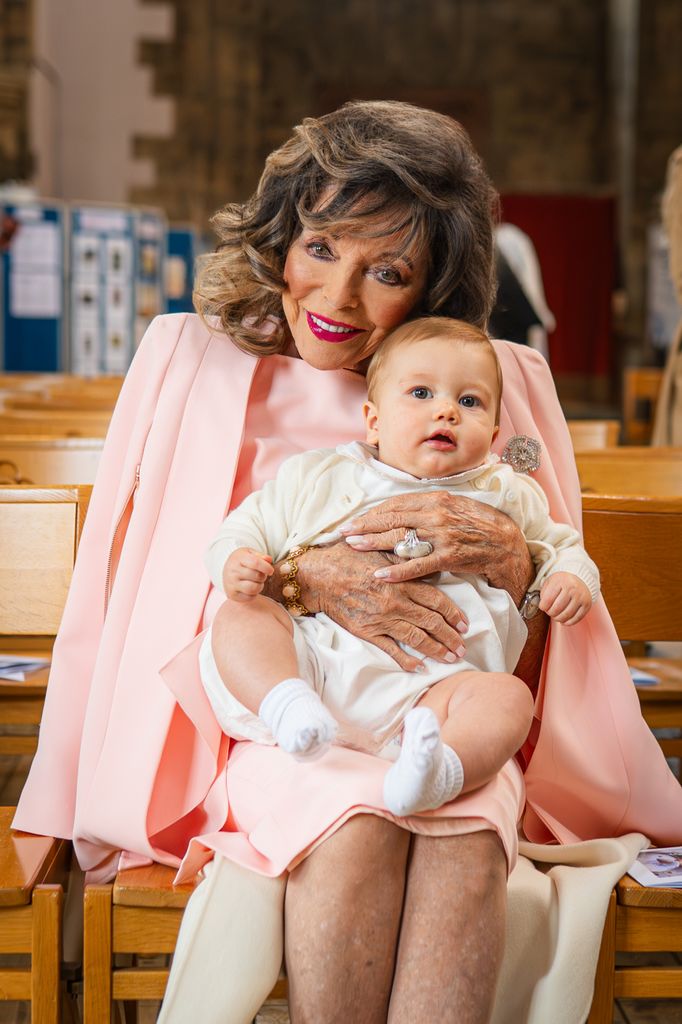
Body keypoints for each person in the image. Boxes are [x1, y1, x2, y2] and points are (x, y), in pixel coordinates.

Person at [12, 101, 682, 1024]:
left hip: (451, 724)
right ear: (281, 234)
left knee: (463, 835)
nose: (337, 297)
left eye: (389, 271)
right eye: (320, 247)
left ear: (436, 285)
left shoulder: (497, 381)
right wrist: (300, 579)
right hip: (261, 727)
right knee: (352, 825)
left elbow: (544, 641)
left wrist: (521, 567)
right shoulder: (186, 359)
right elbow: (126, 592)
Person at [203, 318, 599, 820]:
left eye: (470, 402)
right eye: (420, 392)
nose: (446, 411)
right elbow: (242, 528)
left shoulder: (507, 493)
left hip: (435, 694)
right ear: (373, 420)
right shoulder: (320, 474)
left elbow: (562, 547)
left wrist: (570, 578)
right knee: (241, 617)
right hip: (319, 668)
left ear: (496, 433)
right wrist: (236, 561)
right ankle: (286, 705)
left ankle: (439, 771)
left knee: (507, 699)